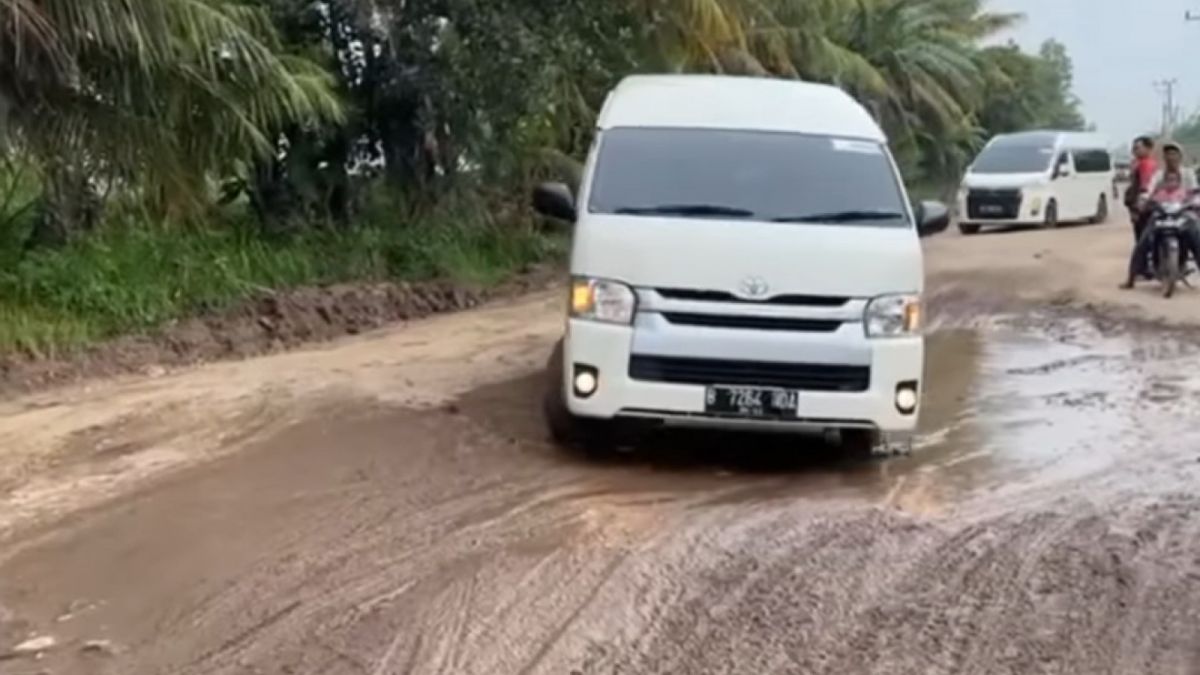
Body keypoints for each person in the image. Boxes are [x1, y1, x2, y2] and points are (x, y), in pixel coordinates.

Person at [1120, 167, 1200, 289]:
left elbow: (1195, 197)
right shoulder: (1159, 192)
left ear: (1179, 181)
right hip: (1160, 220)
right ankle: (1131, 278)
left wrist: (1194, 205)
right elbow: (1147, 197)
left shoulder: (1184, 191)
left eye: (1174, 180)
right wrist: (1143, 204)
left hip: (1180, 220)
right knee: (1143, 243)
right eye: (1168, 180)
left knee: (1196, 238)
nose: (1171, 182)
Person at [1125, 136, 1158, 242]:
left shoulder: (1145, 164)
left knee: (1142, 237)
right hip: (1144, 203)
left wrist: (1138, 207)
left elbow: (1144, 186)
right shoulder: (1143, 163)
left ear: (1148, 148)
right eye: (1134, 148)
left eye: (1137, 148)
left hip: (1142, 205)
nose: (1134, 151)